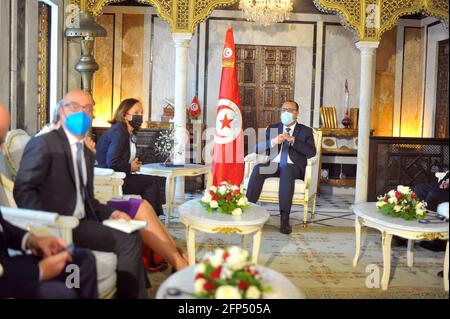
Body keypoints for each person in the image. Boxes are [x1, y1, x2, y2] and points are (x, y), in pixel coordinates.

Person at [13, 90, 149, 299]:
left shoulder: (85, 151)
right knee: (128, 243)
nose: (82, 113)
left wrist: (113, 213)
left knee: (131, 236)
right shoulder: (44, 143)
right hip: (58, 225)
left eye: (88, 108)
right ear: (61, 111)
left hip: (83, 223)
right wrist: (46, 227)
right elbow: (23, 190)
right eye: (75, 107)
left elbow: (89, 200)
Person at [37, 100, 188, 271]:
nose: (89, 115)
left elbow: (83, 182)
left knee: (145, 205)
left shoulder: (79, 141)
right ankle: (171, 257)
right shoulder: (47, 142)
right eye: (82, 109)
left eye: (89, 110)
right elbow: (109, 163)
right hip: (101, 190)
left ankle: (177, 255)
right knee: (148, 190)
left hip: (98, 194)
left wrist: (88, 156)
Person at [0, 102, 98, 299]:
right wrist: (39, 272)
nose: (2, 146)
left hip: (10, 261)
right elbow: (24, 190)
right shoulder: (44, 143)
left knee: (79, 261)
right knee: (62, 293)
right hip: (5, 277)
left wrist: (33, 240)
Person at [246, 100, 316, 234]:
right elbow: (257, 148)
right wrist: (273, 141)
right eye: (283, 110)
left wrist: (293, 140)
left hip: (293, 166)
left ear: (297, 113)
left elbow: (311, 152)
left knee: (287, 170)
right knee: (259, 167)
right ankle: (249, 211)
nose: (286, 112)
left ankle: (285, 220)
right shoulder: (273, 128)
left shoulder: (305, 131)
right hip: (274, 164)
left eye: (290, 110)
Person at [95, 98, 165, 217]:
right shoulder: (119, 132)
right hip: (111, 179)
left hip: (118, 174)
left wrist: (132, 163)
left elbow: (120, 156)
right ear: (124, 115)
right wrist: (130, 167)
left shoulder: (125, 132)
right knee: (150, 183)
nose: (140, 116)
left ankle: (150, 217)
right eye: (136, 113)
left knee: (150, 181)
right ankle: (151, 219)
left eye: (141, 113)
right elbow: (112, 162)